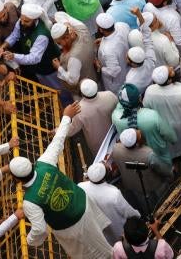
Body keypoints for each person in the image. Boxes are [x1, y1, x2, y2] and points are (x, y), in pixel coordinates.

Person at [7, 103, 112, 258]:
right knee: (99, 236)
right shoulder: (45, 163)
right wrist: (66, 117)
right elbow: (58, 140)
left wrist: (29, 241)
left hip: (72, 228)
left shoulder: (29, 202)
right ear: (31, 164)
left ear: (16, 179)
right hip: (84, 203)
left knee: (94, 253)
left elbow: (40, 230)